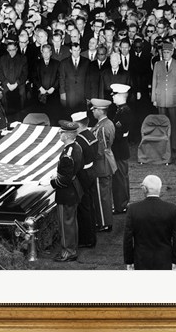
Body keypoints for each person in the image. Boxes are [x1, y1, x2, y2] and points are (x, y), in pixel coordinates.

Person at [43, 120, 84, 262]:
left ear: (67, 135)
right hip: (74, 189)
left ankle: (68, 252)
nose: (59, 134)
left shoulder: (68, 153)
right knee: (71, 222)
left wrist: (52, 182)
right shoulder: (76, 147)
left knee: (66, 224)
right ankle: (71, 248)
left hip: (67, 193)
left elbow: (64, 180)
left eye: (61, 132)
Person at [123, 175, 176, 270]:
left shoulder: (133, 209)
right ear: (160, 188)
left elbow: (128, 239)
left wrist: (129, 261)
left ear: (144, 189)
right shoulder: (172, 209)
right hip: (165, 259)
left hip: (141, 259)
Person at [151, 42, 176, 161]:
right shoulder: (157, 64)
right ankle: (163, 147)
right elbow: (154, 81)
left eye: (167, 52)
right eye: (163, 52)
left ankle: (174, 147)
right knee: (162, 124)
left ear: (172, 52)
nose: (165, 54)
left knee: (174, 123)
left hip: (174, 99)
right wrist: (154, 98)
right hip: (161, 98)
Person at [71, 111, 98, 249]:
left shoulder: (79, 140)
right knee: (90, 205)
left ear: (77, 124)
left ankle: (87, 239)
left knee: (84, 207)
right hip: (92, 171)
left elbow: (77, 160)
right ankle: (91, 235)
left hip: (83, 174)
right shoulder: (91, 135)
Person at [90, 98, 117, 232]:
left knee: (102, 196)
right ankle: (105, 221)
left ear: (100, 111)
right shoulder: (107, 123)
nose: (93, 112)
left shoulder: (102, 127)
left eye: (94, 109)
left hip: (101, 164)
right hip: (106, 162)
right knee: (104, 194)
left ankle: (104, 223)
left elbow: (100, 149)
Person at [110, 84, 132, 214]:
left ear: (120, 96)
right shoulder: (120, 110)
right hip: (119, 149)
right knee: (119, 178)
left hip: (120, 149)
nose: (112, 97)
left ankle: (122, 205)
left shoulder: (125, 112)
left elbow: (120, 133)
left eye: (114, 95)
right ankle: (121, 204)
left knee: (120, 178)